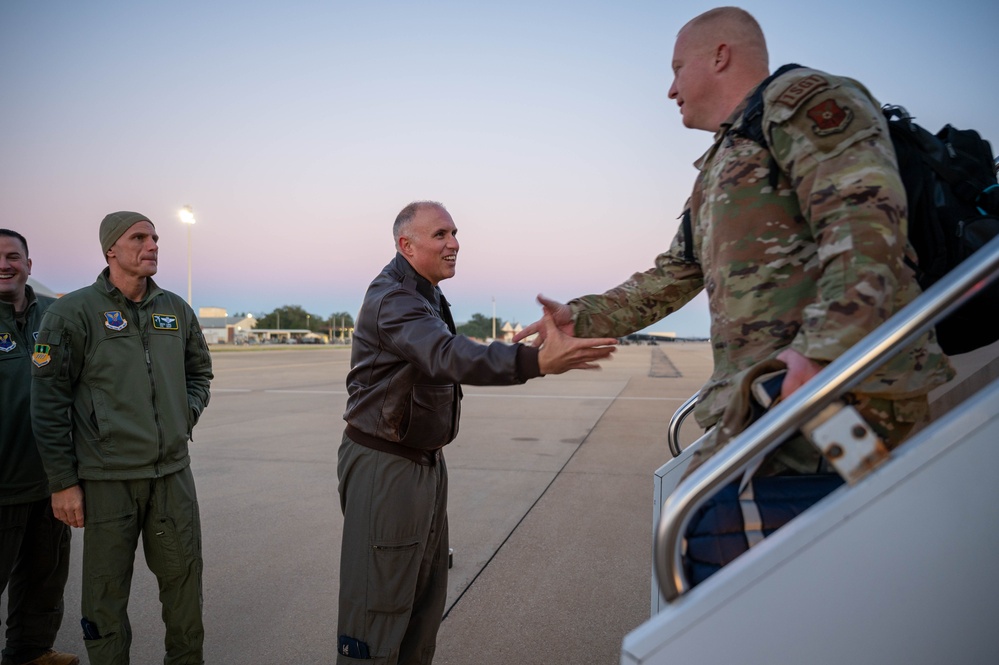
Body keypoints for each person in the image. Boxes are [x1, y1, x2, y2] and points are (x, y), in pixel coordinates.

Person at [516, 7, 954, 478]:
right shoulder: (722, 163)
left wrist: (821, 355)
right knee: (728, 533)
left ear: (720, 55)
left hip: (837, 396)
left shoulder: (802, 101)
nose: (670, 89)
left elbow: (865, 227)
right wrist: (579, 316)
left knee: (857, 527)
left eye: (677, 70)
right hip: (774, 402)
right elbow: (672, 277)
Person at [337, 201, 616, 664]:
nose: (455, 243)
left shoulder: (426, 293)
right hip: (386, 466)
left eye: (455, 233)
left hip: (423, 462)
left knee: (421, 608)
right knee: (377, 616)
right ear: (407, 245)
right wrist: (533, 362)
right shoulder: (395, 299)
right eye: (441, 234)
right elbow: (447, 354)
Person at [30, 212, 213, 665]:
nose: (152, 245)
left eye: (154, 238)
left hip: (172, 476)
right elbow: (48, 402)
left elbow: (200, 373)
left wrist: (181, 415)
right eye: (139, 237)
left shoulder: (176, 309)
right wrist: (62, 482)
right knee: (104, 596)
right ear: (111, 248)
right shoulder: (72, 313)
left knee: (184, 587)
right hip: (107, 480)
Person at [0, 229, 79, 665]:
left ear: (29, 265)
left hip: (51, 479)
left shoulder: (56, 313)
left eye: (14, 256)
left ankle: (30, 654)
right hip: (3, 480)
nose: (5, 264)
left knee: (44, 578)